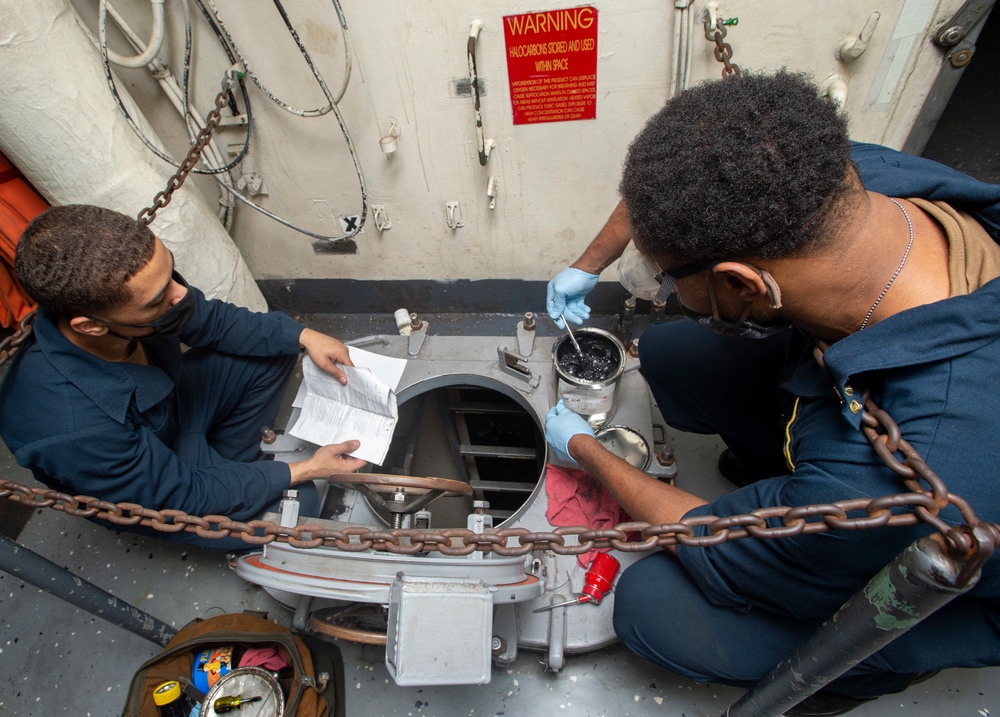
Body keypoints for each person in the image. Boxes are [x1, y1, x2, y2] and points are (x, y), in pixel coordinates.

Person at [544, 70, 1000, 716]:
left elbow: (713, 535)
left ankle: (856, 672)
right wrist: (587, 262)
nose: (667, 290)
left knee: (649, 607)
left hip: (938, 571)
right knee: (671, 359)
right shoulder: (840, 180)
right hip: (842, 395)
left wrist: (585, 448)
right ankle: (777, 459)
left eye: (672, 280)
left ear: (742, 283)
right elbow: (672, 186)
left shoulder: (902, 470)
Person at [0, 204, 366, 549]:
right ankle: (229, 474)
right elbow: (183, 497)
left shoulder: (131, 307)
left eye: (171, 273)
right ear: (91, 326)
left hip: (175, 414)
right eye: (158, 300)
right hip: (163, 482)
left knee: (275, 346)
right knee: (300, 504)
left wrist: (304, 336)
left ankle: (230, 462)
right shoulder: (68, 428)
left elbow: (217, 322)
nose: (182, 295)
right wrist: (303, 470)